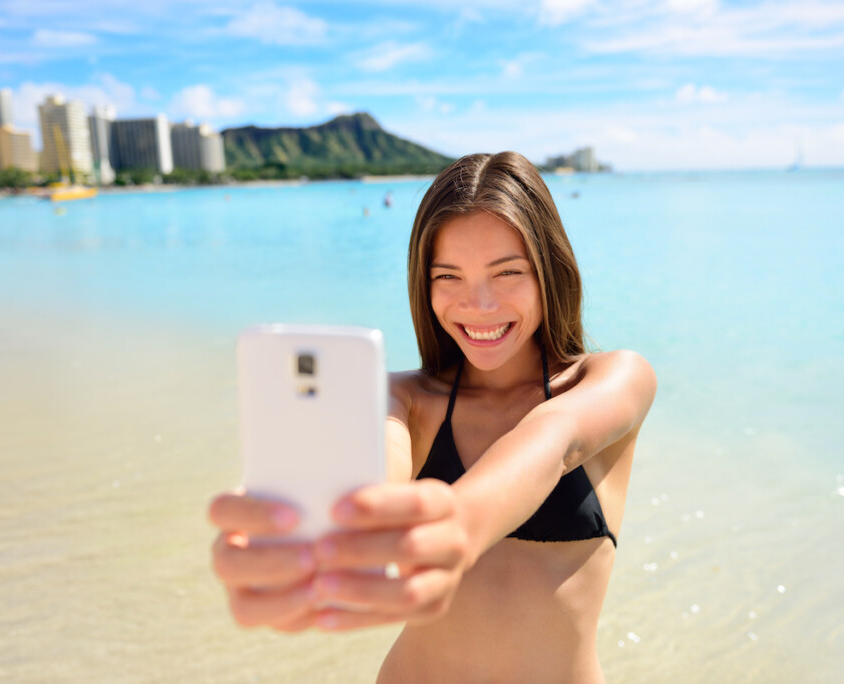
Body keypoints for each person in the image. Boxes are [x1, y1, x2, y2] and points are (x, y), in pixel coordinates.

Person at [209, 152, 656, 683]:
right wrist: (317, 533)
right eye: (450, 276)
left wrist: (457, 529)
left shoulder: (612, 379)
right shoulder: (403, 398)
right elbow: (381, 460)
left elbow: (553, 439)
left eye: (507, 272)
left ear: (549, 271)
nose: (479, 304)